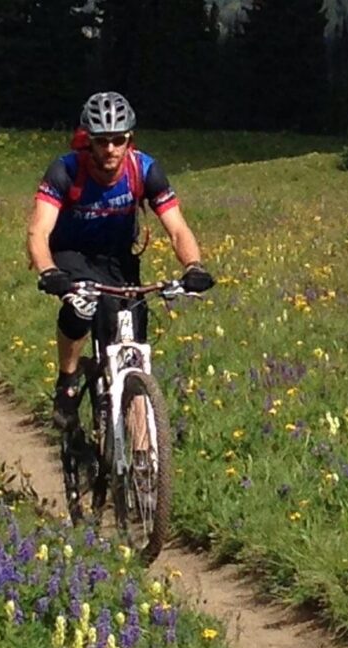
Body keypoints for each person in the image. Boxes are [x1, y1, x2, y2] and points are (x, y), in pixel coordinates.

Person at [26, 90, 213, 423]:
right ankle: (67, 383)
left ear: (130, 139)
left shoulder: (145, 170)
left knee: (133, 344)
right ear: (88, 141)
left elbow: (178, 229)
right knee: (81, 309)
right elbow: (38, 231)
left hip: (117, 259)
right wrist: (48, 271)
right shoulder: (65, 171)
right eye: (101, 141)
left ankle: (142, 455)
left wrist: (193, 266)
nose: (110, 148)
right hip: (71, 255)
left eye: (117, 139)